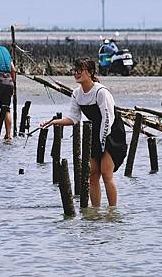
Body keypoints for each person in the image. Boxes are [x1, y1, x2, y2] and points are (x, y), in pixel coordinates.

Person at [40, 57, 127, 207]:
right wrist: (53, 122)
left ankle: (112, 211)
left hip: (112, 133)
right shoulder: (77, 94)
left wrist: (102, 141)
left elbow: (108, 119)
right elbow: (73, 118)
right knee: (93, 175)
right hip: (94, 132)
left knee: (106, 173)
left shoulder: (101, 92)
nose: (76, 73)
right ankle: (95, 211)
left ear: (90, 72)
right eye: (75, 70)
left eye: (80, 70)